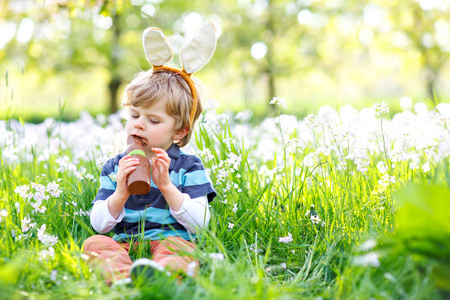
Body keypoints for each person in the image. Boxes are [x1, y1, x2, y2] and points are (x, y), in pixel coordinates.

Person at [82, 23, 217, 284]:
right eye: (134, 115)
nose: (139, 124)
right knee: (95, 242)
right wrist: (120, 192)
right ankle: (123, 277)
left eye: (153, 121)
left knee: (180, 247)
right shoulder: (115, 166)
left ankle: (165, 275)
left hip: (171, 240)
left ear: (179, 131)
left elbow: (200, 224)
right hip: (126, 243)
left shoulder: (188, 166)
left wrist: (166, 186)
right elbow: (100, 224)